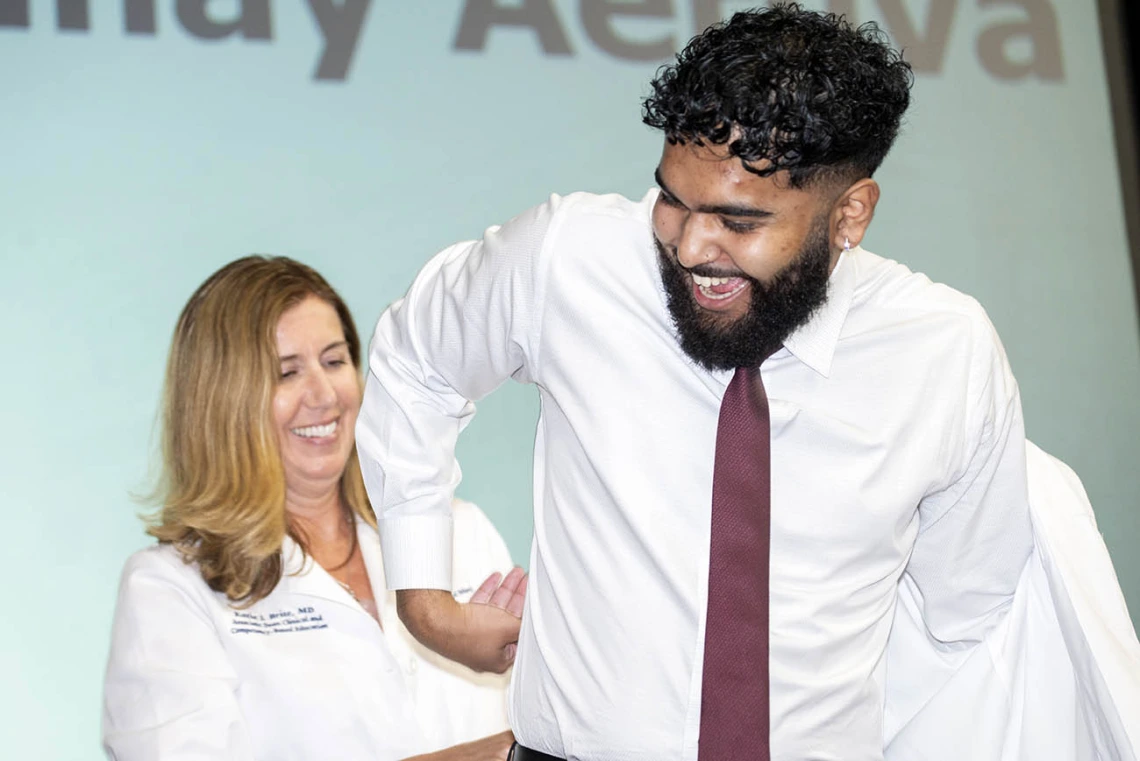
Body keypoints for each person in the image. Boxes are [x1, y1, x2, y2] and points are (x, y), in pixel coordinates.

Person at [355, 5, 1139, 761]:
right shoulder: (570, 259)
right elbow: (416, 360)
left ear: (850, 214)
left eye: (739, 221)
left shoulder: (944, 352)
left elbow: (966, 609)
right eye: (671, 197)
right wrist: (423, 595)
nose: (691, 244)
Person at [102, 256, 526, 761]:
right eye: (286, 373)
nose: (324, 396)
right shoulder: (169, 591)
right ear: (222, 402)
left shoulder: (460, 531)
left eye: (334, 360)